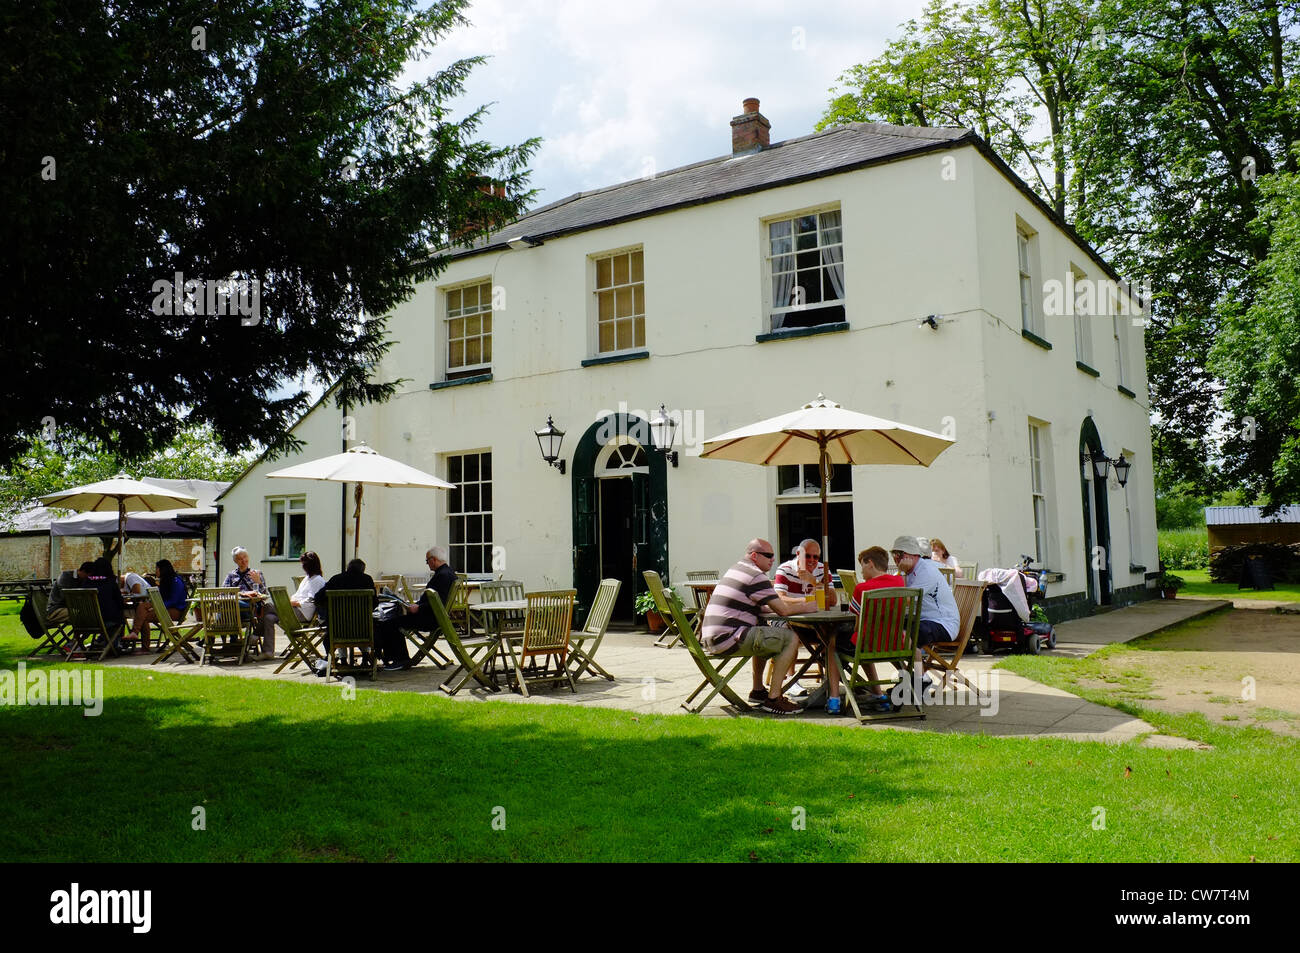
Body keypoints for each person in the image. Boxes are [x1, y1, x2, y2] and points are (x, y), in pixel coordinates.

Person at [698, 538, 818, 715]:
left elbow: (766, 607)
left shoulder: (737, 569)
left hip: (712, 638)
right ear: (754, 556)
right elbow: (783, 610)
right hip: (728, 638)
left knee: (762, 626)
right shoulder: (755, 575)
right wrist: (808, 606)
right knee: (791, 638)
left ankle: (758, 690)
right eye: (768, 555)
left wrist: (799, 604)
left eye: (773, 556)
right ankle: (774, 699)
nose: (772, 559)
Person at [374, 546, 457, 671]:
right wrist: (416, 605)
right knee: (394, 620)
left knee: (390, 623)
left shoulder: (442, 576)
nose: (427, 564)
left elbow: (438, 602)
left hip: (430, 618)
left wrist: (418, 608)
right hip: (434, 616)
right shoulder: (449, 573)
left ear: (433, 560)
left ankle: (400, 659)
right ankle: (393, 658)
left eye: (427, 561)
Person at [889, 535, 959, 681]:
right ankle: (910, 677)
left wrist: (901, 573)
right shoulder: (909, 570)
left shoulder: (925, 571)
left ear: (912, 555)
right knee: (884, 631)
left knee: (902, 634)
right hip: (924, 620)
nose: (895, 558)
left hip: (943, 624)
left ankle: (921, 679)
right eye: (893, 554)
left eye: (899, 554)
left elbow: (904, 600)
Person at [312, 558, 377, 675]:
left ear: (348, 568)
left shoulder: (336, 579)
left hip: (337, 631)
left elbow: (318, 597)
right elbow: (375, 603)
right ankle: (366, 655)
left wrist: (329, 608)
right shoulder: (367, 580)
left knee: (338, 622)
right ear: (363, 570)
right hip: (362, 629)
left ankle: (342, 660)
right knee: (366, 625)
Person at [222, 546, 279, 660]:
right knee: (230, 606)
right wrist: (238, 595)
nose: (243, 560)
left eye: (245, 557)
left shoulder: (256, 573)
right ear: (235, 561)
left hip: (251, 609)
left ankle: (231, 643)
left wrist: (258, 582)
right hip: (234, 609)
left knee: (230, 606)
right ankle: (233, 644)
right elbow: (223, 592)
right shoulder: (231, 575)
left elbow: (264, 595)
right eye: (239, 559)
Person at [129, 559, 188, 649]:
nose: (155, 570)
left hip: (175, 611)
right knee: (142, 606)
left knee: (143, 616)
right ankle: (135, 633)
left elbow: (174, 601)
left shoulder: (176, 581)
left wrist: (156, 607)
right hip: (164, 608)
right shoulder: (166, 581)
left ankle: (143, 644)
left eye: (157, 568)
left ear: (163, 569)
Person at [773, 538, 837, 607]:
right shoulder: (784, 570)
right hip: (793, 616)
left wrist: (814, 581)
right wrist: (808, 600)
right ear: (798, 554)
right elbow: (779, 600)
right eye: (807, 556)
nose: (811, 560)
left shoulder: (823, 569)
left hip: (817, 615)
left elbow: (833, 601)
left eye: (815, 557)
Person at [289, 551, 327, 622]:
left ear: (310, 566)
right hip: (296, 609)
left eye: (303, 564)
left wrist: (293, 603)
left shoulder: (317, 580)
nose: (302, 567)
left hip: (303, 613)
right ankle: (267, 633)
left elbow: (311, 601)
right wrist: (290, 601)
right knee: (269, 617)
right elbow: (298, 594)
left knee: (269, 607)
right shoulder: (307, 578)